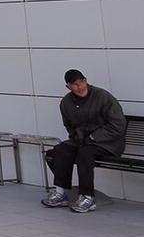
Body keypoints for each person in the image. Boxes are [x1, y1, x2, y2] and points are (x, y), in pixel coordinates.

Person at [43, 69, 125, 213]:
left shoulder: (102, 96)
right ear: (68, 87)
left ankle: (87, 197)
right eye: (75, 85)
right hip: (82, 140)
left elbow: (118, 124)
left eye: (82, 82)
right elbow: (69, 126)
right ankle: (61, 193)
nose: (80, 87)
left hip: (108, 143)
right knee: (59, 151)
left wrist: (94, 137)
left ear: (86, 80)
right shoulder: (66, 102)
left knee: (84, 153)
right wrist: (78, 137)